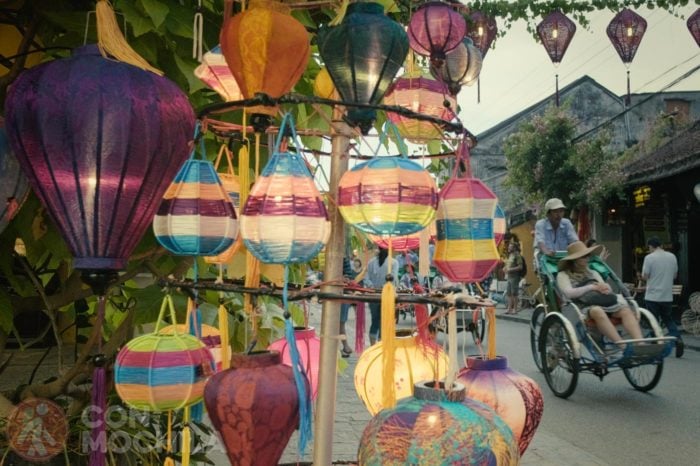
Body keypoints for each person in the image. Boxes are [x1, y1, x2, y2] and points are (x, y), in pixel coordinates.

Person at [556, 241, 643, 351]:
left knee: (625, 310)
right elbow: (569, 293)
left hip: (601, 302)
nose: (587, 259)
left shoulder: (592, 272)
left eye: (588, 256)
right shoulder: (563, 275)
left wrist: (605, 288)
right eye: (583, 257)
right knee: (597, 311)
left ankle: (640, 345)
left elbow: (607, 288)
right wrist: (591, 287)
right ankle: (623, 347)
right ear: (574, 260)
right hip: (579, 307)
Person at [641, 237, 683, 357]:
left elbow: (645, 276)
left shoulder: (649, 258)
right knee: (668, 319)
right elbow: (674, 275)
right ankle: (677, 339)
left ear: (651, 246)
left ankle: (655, 346)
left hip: (653, 295)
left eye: (649, 248)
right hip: (667, 296)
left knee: (653, 321)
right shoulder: (672, 257)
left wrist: (643, 276)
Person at [366, 248, 399, 345]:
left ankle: (375, 346)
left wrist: (372, 287)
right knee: (382, 321)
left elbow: (367, 278)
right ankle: (380, 346)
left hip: (375, 294)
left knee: (376, 321)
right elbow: (393, 279)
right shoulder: (393, 262)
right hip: (384, 295)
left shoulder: (372, 262)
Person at [339, 257, 355, 357]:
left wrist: (343, 278)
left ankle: (345, 346)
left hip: (343, 294)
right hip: (330, 293)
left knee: (340, 323)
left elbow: (348, 277)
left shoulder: (344, 259)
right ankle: (344, 346)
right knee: (336, 323)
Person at [503, 242, 524, 314]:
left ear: (514, 248)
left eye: (510, 247)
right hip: (509, 277)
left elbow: (520, 267)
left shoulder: (517, 255)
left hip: (515, 277)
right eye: (509, 246)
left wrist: (510, 270)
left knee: (514, 293)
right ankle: (509, 309)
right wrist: (505, 268)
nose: (509, 248)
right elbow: (509, 264)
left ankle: (515, 309)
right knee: (509, 293)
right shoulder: (510, 255)